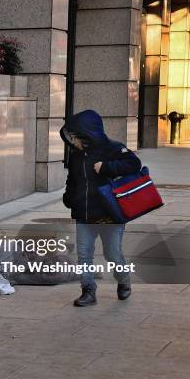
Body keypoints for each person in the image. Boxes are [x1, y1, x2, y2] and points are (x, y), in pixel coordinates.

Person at [60, 110, 141, 307]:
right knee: (84, 254)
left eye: (75, 136)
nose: (72, 140)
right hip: (84, 214)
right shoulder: (76, 155)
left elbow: (134, 164)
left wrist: (106, 167)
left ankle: (123, 280)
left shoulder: (113, 148)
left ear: (88, 134)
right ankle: (88, 291)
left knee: (112, 254)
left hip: (109, 214)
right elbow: (73, 180)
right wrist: (69, 199)